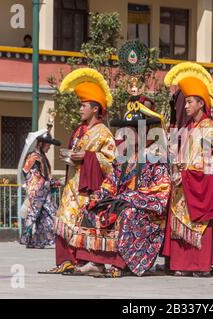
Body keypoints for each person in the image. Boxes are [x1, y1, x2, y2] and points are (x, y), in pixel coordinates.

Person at [68, 97, 171, 277]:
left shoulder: (156, 154)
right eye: (127, 129)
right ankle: (95, 262)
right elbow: (111, 182)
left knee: (126, 214)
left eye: (133, 129)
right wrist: (98, 197)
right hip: (122, 202)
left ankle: (121, 263)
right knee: (91, 209)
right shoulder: (124, 155)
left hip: (145, 208)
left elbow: (161, 189)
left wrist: (129, 198)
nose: (128, 133)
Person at [40, 68, 116, 274]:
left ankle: (83, 261)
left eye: (83, 106)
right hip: (73, 182)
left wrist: (88, 157)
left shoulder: (103, 133)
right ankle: (65, 260)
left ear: (94, 108)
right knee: (64, 219)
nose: (80, 110)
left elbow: (111, 162)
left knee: (80, 222)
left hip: (89, 187)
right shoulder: (79, 130)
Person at [162, 62, 213, 277]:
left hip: (198, 183)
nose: (185, 106)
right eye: (185, 102)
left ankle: (199, 265)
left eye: (189, 102)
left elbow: (212, 161)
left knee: (199, 223)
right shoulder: (187, 128)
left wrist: (187, 172)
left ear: (201, 103)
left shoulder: (210, 128)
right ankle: (182, 264)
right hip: (183, 183)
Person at [19, 124, 61, 249]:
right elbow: (33, 177)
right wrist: (48, 183)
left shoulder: (41, 156)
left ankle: (39, 240)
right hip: (38, 193)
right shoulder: (34, 157)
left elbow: (45, 176)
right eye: (48, 145)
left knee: (48, 215)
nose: (49, 147)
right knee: (38, 216)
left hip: (44, 192)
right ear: (41, 144)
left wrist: (51, 182)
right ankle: (31, 240)